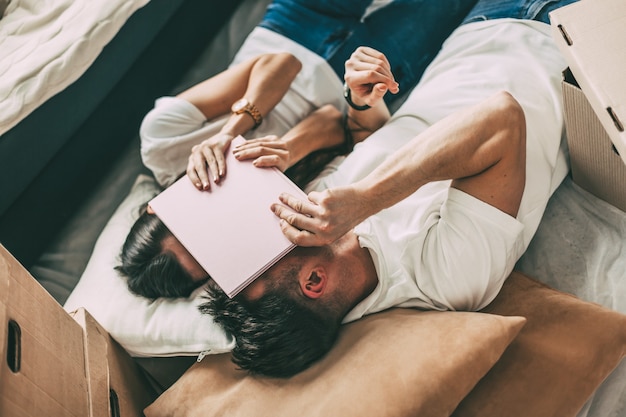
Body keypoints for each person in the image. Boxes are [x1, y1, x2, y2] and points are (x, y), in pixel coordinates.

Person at [199, 0, 577, 378]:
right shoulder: (444, 278)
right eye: (265, 256)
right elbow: (501, 119)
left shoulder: (318, 217)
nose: (263, 232)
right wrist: (365, 200)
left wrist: (361, 102)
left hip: (475, 27)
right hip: (557, 35)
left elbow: (367, 136)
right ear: (314, 281)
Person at [116, 0, 479, 299]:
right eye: (209, 248)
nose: (214, 220)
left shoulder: (162, 143)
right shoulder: (272, 225)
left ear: (158, 204)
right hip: (359, 77)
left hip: (299, 23)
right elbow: (336, 123)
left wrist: (230, 132)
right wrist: (289, 150)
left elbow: (282, 64)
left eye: (193, 224)